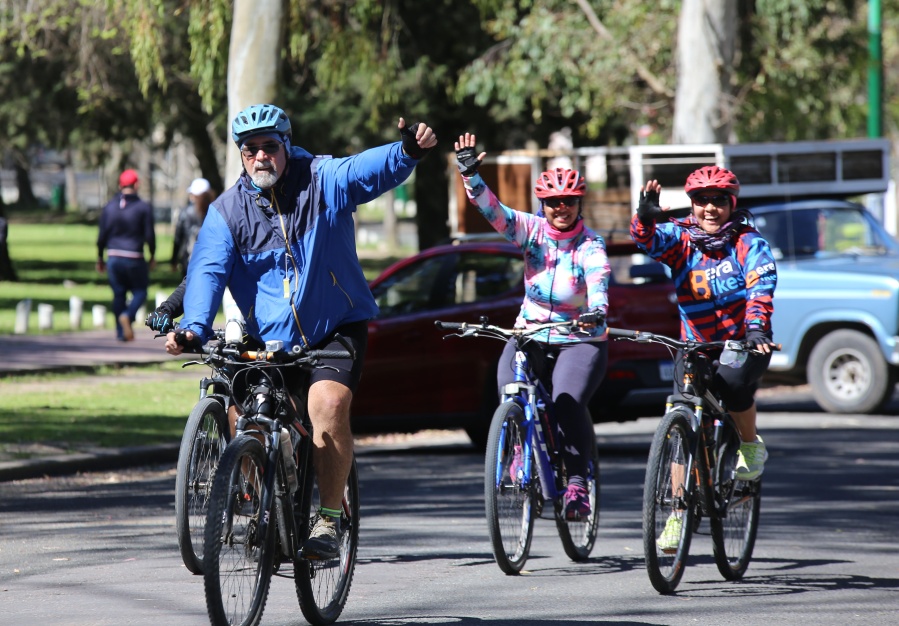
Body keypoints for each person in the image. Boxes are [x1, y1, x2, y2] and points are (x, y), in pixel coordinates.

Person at [162, 103, 436, 559]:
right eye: (250, 150)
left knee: (326, 404)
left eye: (270, 147)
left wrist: (404, 152)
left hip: (334, 327)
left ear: (286, 146)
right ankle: (267, 505)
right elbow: (207, 270)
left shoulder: (322, 180)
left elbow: (364, 170)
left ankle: (328, 521)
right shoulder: (226, 211)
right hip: (270, 340)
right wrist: (193, 326)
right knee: (240, 411)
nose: (260, 157)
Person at [454, 132, 610, 521]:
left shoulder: (590, 245)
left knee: (565, 402)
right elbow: (495, 211)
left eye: (568, 202)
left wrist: (598, 309)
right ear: (543, 204)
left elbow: (599, 277)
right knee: (509, 386)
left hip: (580, 339)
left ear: (578, 203)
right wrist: (471, 175)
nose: (561, 208)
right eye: (553, 202)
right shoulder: (532, 232)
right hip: (532, 333)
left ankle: (576, 484)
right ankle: (520, 444)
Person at [630, 166, 777, 550]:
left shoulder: (748, 241)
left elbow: (760, 287)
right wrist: (644, 219)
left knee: (731, 385)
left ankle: (748, 444)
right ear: (691, 204)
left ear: (732, 203)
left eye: (718, 200)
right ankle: (678, 513)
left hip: (745, 341)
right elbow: (648, 242)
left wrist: (757, 327)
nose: (710, 208)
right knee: (681, 421)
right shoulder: (682, 239)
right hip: (693, 344)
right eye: (701, 200)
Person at [97, 169, 156, 341]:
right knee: (140, 292)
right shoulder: (143, 208)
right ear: (136, 185)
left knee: (118, 294)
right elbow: (149, 235)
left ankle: (121, 333)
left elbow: (102, 235)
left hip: (113, 256)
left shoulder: (109, 207)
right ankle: (128, 316)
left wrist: (100, 257)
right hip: (134, 257)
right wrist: (152, 255)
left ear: (120, 185)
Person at [171, 177, 215, 277]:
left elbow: (178, 237)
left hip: (189, 259)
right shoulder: (215, 211)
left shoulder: (185, 212)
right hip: (210, 258)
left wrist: (174, 260)